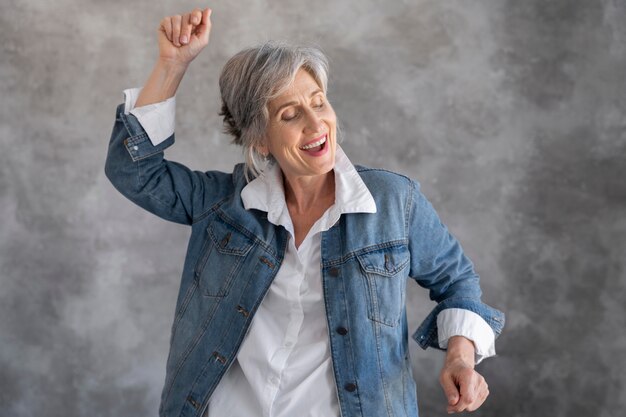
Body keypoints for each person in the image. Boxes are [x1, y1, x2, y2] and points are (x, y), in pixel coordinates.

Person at [105, 7, 505, 417]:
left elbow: (457, 283)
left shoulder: (393, 201)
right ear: (260, 141)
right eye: (290, 114)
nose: (317, 124)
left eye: (319, 102)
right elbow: (134, 172)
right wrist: (172, 65)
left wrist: (460, 358)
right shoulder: (222, 203)